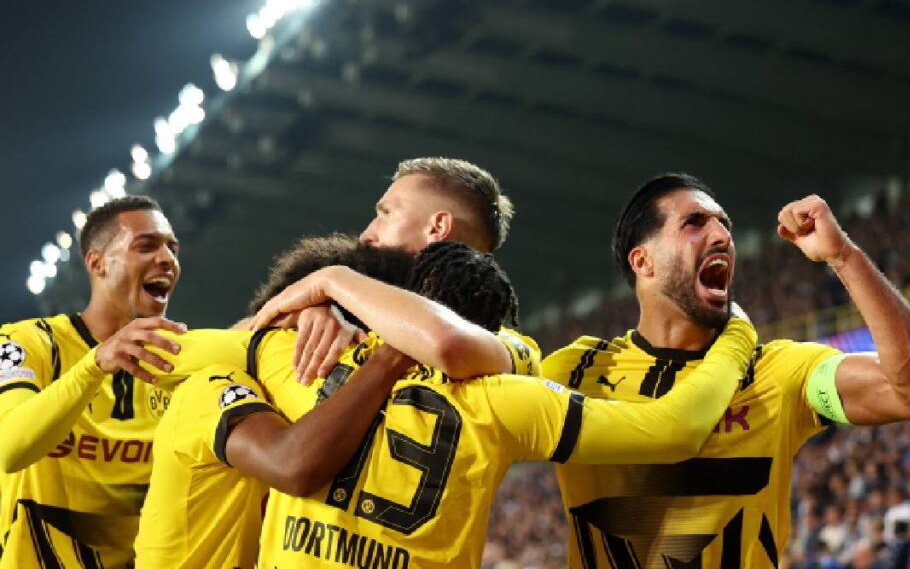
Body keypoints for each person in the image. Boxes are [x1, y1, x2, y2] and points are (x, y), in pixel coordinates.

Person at [253, 241, 758, 568]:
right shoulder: (509, 391)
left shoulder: (306, 356)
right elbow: (674, 429)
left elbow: (210, 351)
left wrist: (319, 299)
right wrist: (736, 335)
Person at [541, 173, 910, 567]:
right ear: (643, 260)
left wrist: (843, 256)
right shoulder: (579, 369)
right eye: (694, 223)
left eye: (725, 226)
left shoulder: (778, 372)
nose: (721, 236)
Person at [134, 237, 535, 568]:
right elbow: (292, 464)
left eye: (387, 211)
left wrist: (331, 290)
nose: (372, 231)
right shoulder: (217, 387)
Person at [0, 196, 187, 568]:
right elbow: (10, 447)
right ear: (97, 263)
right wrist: (94, 365)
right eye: (147, 246)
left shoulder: (182, 363)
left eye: (172, 248)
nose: (167, 259)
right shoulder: (29, 344)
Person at [290, 156, 537, 384]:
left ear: (437, 227)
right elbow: (251, 329)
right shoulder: (335, 315)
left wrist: (333, 280)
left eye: (386, 214)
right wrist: (308, 311)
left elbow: (447, 342)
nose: (366, 235)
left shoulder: (508, 347)